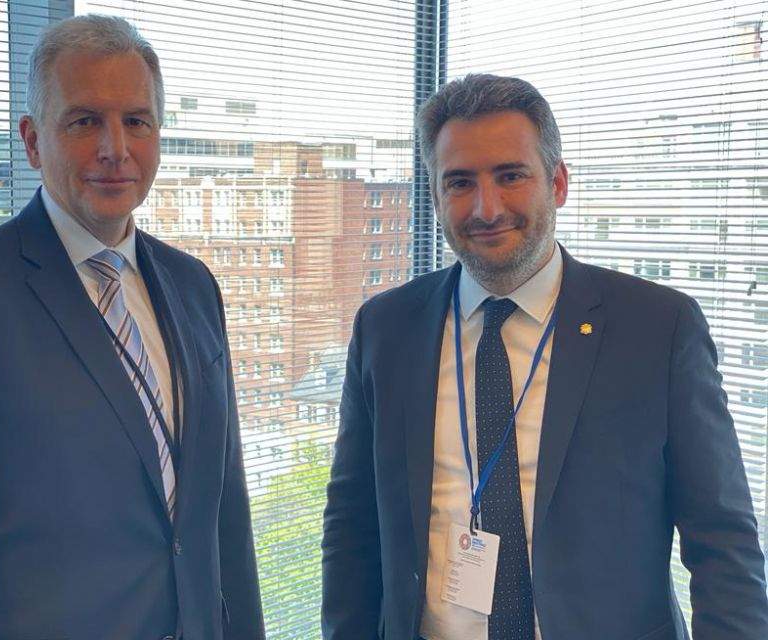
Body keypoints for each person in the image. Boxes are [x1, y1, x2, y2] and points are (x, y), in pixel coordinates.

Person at [321, 73, 768, 640]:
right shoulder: (386, 329)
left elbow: (722, 539)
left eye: (510, 176)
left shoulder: (657, 327)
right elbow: (352, 527)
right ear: (435, 196)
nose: (486, 208)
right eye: (459, 182)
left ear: (557, 182)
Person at [0, 14, 264, 640]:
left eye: (136, 121)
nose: (116, 148)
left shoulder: (193, 286)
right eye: (85, 121)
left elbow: (225, 516)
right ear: (33, 142)